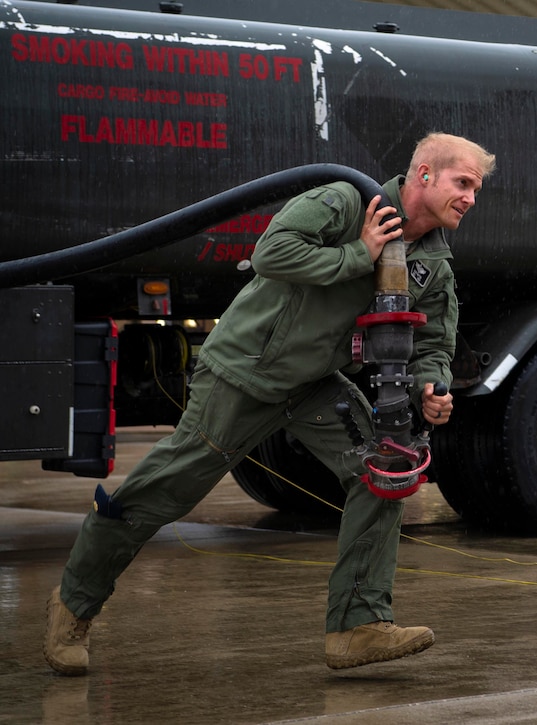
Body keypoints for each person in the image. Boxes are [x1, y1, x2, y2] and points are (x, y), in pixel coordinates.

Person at [44, 132, 496, 675]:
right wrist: (360, 254)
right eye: (462, 182)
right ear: (424, 174)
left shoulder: (434, 263)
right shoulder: (347, 202)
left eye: (476, 187)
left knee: (386, 467)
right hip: (244, 371)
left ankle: (356, 626)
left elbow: (433, 343)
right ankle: (73, 604)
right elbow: (271, 252)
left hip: (311, 385)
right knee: (161, 493)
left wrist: (431, 385)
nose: (471, 197)